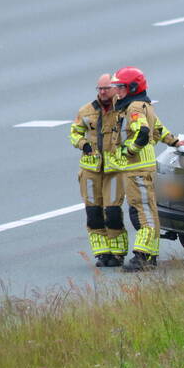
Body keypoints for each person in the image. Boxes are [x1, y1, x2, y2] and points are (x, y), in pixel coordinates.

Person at [109, 67, 184, 271]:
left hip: (137, 170)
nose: (117, 91)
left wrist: (127, 151)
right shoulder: (143, 105)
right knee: (147, 210)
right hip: (142, 169)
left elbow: (142, 132)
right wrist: (176, 142)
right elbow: (159, 129)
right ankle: (149, 255)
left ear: (132, 87)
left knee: (141, 213)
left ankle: (142, 257)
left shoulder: (134, 108)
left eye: (121, 87)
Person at [69, 74, 128, 267]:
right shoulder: (86, 110)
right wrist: (83, 144)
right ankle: (102, 253)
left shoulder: (124, 108)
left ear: (114, 89)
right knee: (93, 213)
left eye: (107, 88)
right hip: (91, 169)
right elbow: (74, 133)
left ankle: (118, 253)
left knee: (112, 212)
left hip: (114, 170)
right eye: (100, 89)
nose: (103, 92)